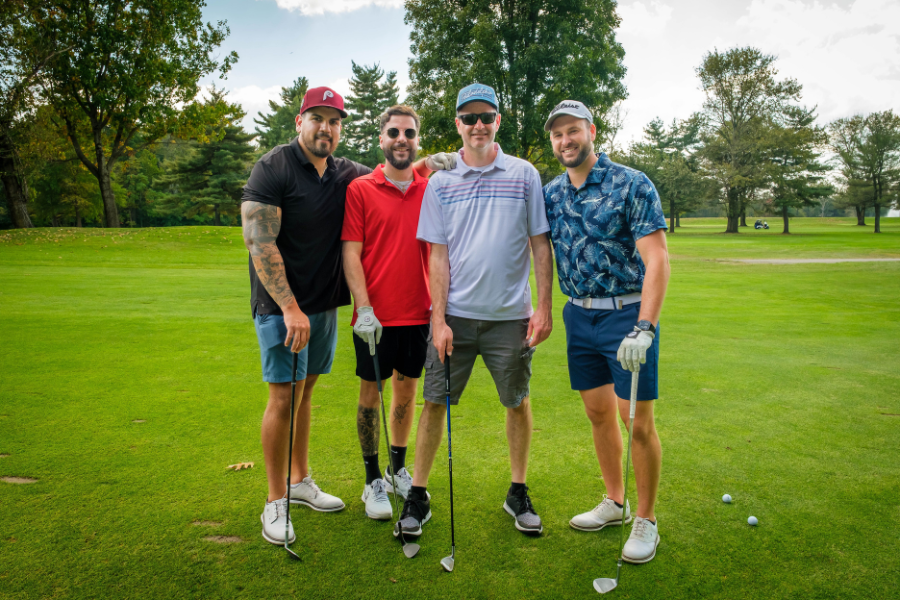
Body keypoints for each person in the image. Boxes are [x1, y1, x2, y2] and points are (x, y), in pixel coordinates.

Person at [241, 86, 455, 546]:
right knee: (283, 397)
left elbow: (399, 169)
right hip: (283, 308)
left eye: (334, 120)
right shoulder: (273, 166)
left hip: (322, 307)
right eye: (317, 118)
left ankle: (300, 481)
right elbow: (259, 239)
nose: (326, 128)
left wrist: (439, 159)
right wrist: (290, 308)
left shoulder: (343, 172)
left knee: (305, 392)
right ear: (300, 121)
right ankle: (274, 501)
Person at [394, 83, 554, 540]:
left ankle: (517, 490)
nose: (478, 125)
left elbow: (539, 244)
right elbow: (438, 257)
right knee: (433, 403)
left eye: (487, 116)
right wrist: (439, 320)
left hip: (511, 317)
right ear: (458, 124)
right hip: (456, 318)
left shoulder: (524, 174)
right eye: (469, 118)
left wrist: (542, 308)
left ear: (498, 121)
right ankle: (418, 495)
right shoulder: (441, 183)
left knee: (517, 402)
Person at [542, 100, 670, 564]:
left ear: (591, 131)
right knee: (598, 415)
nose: (565, 141)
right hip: (579, 316)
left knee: (635, 420)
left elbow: (656, 258)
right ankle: (616, 502)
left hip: (625, 315)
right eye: (557, 134)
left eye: (573, 131)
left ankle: (647, 519)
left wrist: (645, 327)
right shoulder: (551, 193)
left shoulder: (631, 183)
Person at [341, 105, 446, 519]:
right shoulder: (360, 189)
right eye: (393, 132)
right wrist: (363, 308)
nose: (401, 138)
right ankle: (371, 480)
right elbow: (351, 253)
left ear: (417, 139)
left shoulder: (430, 189)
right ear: (381, 139)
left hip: (418, 313)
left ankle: (397, 469)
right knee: (371, 394)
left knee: (407, 392)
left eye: (409, 132)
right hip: (374, 318)